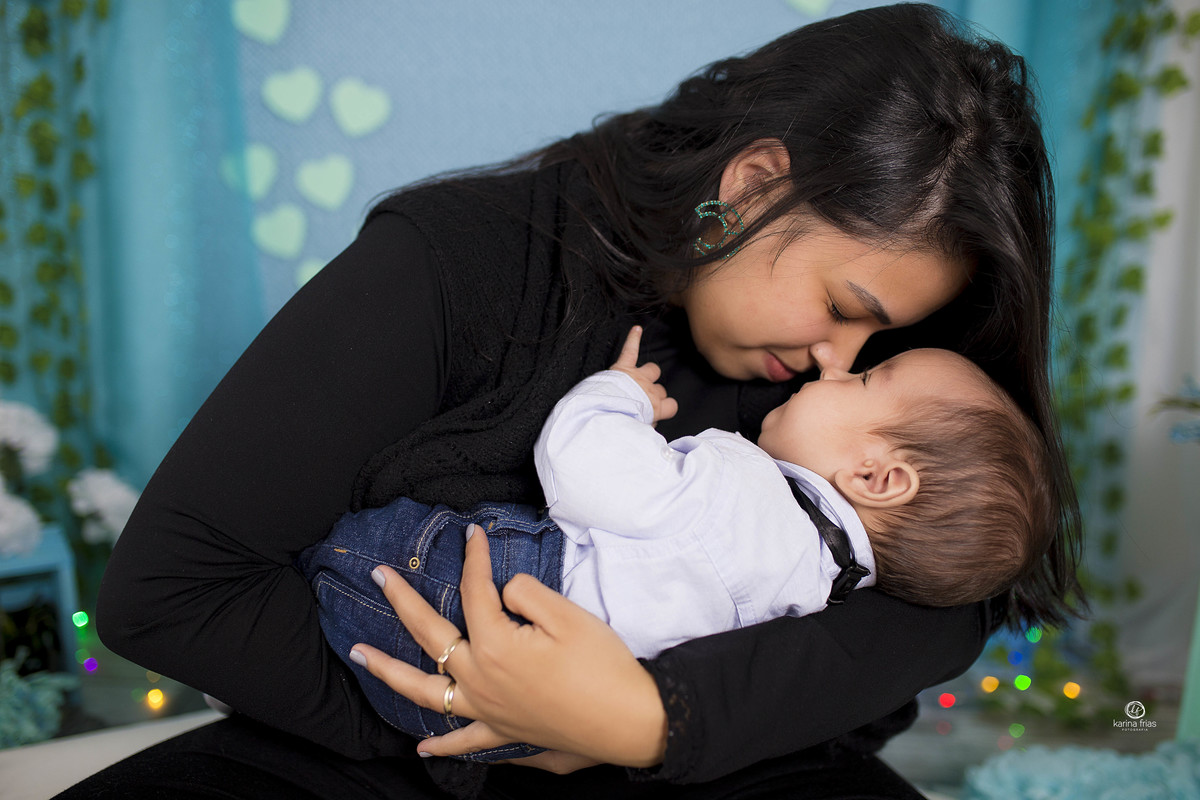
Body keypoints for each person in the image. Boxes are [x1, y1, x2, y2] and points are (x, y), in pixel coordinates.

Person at [68, 4, 1083, 799]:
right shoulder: (453, 264)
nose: (836, 364)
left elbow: (948, 591)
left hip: (716, 761)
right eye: (838, 307)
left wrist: (643, 721)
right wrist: (493, 717)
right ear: (755, 183)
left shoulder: (884, 363)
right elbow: (169, 589)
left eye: (876, 345)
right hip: (396, 744)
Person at [302, 333, 1053, 762]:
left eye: (860, 380)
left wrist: (620, 395)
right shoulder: (824, 592)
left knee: (339, 547)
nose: (832, 365)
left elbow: (581, 467)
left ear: (875, 476)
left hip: (481, 607)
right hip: (512, 733)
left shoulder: (745, 488)